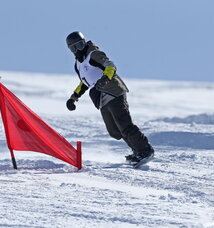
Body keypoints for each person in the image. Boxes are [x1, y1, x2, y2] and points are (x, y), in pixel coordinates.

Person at [65, 31, 154, 165]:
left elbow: (110, 65)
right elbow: (85, 82)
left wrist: (106, 78)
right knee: (115, 131)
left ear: (85, 42)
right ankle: (137, 151)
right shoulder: (78, 64)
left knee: (124, 124)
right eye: (73, 48)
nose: (78, 50)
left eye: (80, 45)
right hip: (101, 98)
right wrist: (74, 97)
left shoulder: (93, 53)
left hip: (113, 91)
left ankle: (145, 150)